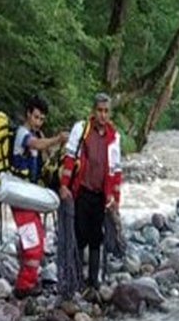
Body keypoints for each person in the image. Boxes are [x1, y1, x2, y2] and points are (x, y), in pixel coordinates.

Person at [60, 93, 124, 290]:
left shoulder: (114, 137)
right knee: (79, 234)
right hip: (81, 191)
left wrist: (116, 199)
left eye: (106, 111)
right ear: (93, 111)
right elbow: (70, 158)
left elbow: (116, 170)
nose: (103, 115)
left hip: (100, 195)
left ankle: (94, 280)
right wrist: (63, 185)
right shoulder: (81, 129)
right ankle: (77, 277)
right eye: (99, 110)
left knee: (97, 236)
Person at [11, 96, 67, 298]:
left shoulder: (34, 134)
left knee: (36, 238)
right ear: (28, 114)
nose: (38, 122)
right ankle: (23, 286)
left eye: (42, 119)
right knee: (33, 242)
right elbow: (35, 144)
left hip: (29, 197)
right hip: (20, 198)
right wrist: (57, 139)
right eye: (36, 117)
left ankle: (28, 281)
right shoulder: (22, 134)